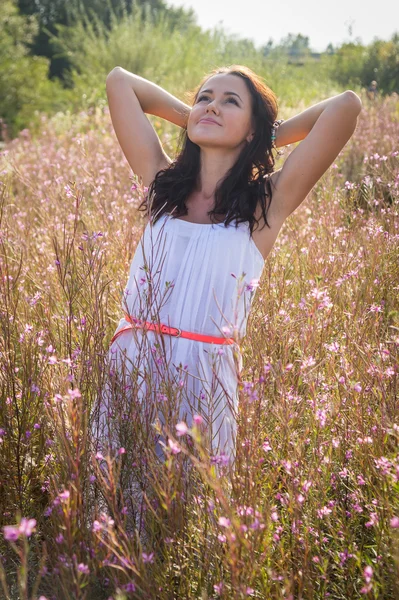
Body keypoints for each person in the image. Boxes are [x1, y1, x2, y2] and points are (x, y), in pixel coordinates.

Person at [90, 64, 362, 517]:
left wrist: (260, 135)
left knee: (184, 521)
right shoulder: (162, 186)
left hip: (204, 380)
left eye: (230, 100)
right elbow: (120, 81)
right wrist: (200, 119)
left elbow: (346, 106)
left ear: (255, 127)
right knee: (114, 513)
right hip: (131, 366)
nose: (212, 104)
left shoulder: (265, 206)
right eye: (205, 97)